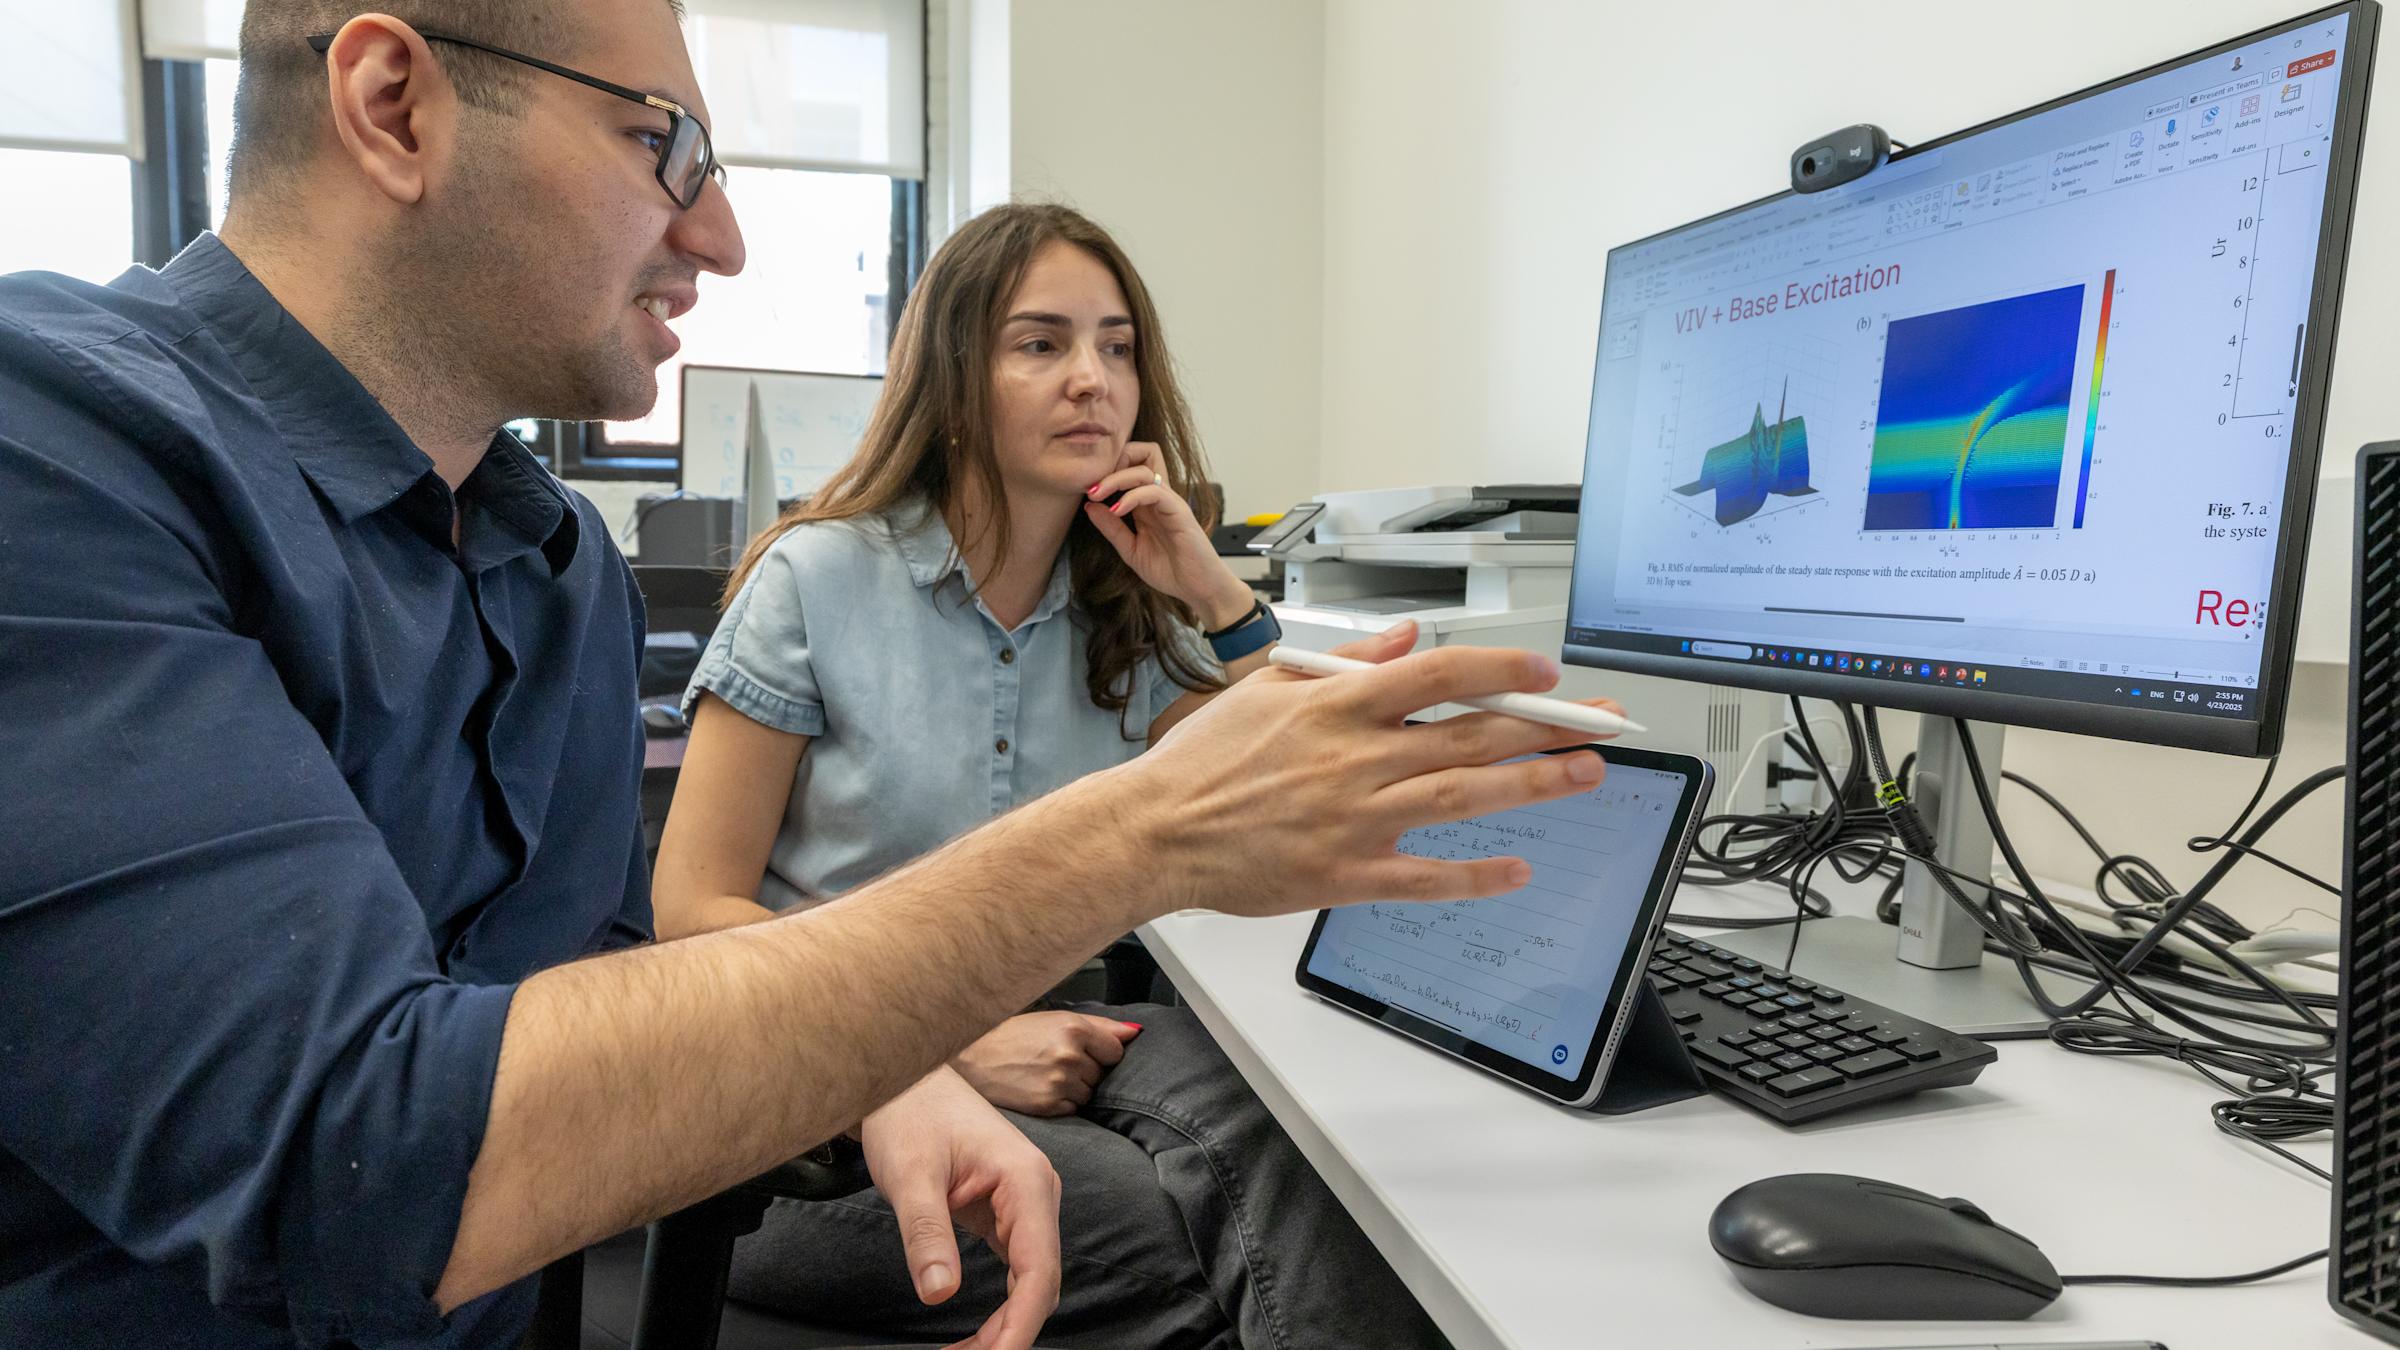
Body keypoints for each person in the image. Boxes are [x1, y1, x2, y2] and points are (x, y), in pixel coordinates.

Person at [0, 3, 1611, 1347]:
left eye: (1117, 344)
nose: (722, 229)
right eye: (664, 147)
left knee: (1323, 1199)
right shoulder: (56, 448)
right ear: (393, 102)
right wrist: (1112, 855)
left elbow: (611, 999)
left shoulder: (547, 559)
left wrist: (877, 1066)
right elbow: (369, 1166)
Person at [651, 202, 1446, 1347]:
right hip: (810, 1116)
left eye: (1116, 347)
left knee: (1320, 1172)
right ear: (956, 380)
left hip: (1076, 1053)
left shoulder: (1126, 604)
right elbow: (689, 912)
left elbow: (1317, 766)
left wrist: (1211, 590)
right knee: (1206, 1247)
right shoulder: (815, 580)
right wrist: (942, 1041)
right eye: (1042, 344)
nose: (1093, 379)